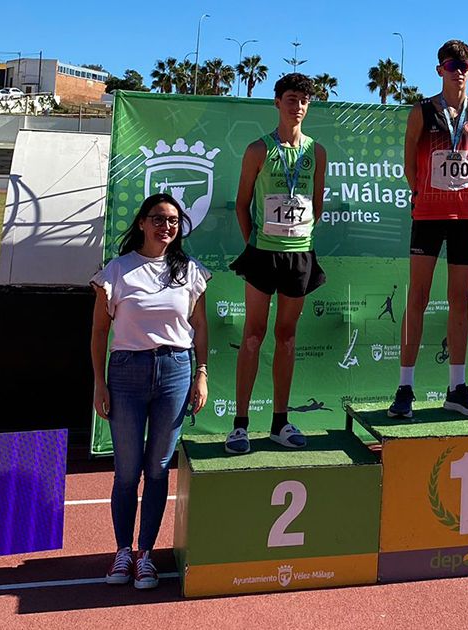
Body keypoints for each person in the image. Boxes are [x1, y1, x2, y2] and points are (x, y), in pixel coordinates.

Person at [91, 193, 210, 590]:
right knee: (127, 471)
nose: (166, 227)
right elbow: (99, 332)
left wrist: (201, 373)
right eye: (158, 219)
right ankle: (122, 551)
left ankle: (146, 555)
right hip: (126, 373)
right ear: (142, 222)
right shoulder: (117, 271)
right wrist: (99, 381)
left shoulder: (191, 271)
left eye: (173, 221)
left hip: (175, 371)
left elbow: (200, 327)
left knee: (158, 469)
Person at [389, 39, 468, 419]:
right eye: (452, 65)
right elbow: (409, 164)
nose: (458, 72)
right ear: (440, 70)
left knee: (459, 299)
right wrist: (424, 195)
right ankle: (405, 388)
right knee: (417, 297)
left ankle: (457, 388)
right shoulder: (422, 111)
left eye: (464, 66)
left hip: (465, 218)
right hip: (429, 217)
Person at [226, 72, 328, 454]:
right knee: (253, 335)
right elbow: (241, 204)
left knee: (286, 337)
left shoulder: (316, 152)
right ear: (277, 102)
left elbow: (316, 205)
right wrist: (254, 244)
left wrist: (298, 238)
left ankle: (279, 422)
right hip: (262, 253)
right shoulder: (258, 149)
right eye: (290, 99)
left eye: (303, 100)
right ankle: (239, 425)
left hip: (299, 253)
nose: (297, 106)